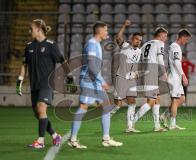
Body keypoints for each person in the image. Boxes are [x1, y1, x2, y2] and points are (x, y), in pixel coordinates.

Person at [16, 19, 74, 149]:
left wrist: (69, 76)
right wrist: (19, 81)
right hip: (34, 85)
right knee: (38, 114)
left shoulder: (51, 45)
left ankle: (40, 141)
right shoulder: (29, 46)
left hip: (47, 84)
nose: (29, 31)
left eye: (31, 29)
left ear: (38, 29)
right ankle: (55, 135)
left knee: (41, 108)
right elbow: (24, 65)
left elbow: (62, 61)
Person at [68, 21, 123, 149]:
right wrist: (102, 81)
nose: (107, 33)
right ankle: (73, 139)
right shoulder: (92, 45)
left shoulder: (96, 44)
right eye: (106, 30)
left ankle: (106, 139)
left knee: (106, 107)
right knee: (83, 107)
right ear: (100, 31)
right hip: (88, 81)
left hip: (94, 82)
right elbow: (92, 66)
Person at [132, 27, 168, 132]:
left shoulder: (145, 44)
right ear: (160, 35)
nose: (165, 38)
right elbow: (160, 59)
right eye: (165, 36)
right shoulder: (159, 43)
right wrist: (164, 73)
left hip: (147, 73)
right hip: (151, 73)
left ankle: (157, 126)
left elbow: (139, 59)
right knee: (151, 101)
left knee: (157, 100)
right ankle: (131, 123)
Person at [110, 19, 143, 133]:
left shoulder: (139, 51)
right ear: (132, 39)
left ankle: (129, 127)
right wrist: (124, 25)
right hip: (121, 78)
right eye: (137, 39)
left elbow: (135, 64)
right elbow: (118, 37)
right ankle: (107, 116)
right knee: (117, 105)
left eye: (140, 40)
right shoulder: (125, 46)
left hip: (131, 79)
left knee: (132, 102)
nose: (138, 41)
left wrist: (137, 72)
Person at [167, 29, 192, 130]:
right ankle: (172, 124)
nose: (186, 41)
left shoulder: (175, 46)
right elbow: (177, 63)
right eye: (186, 39)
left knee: (181, 99)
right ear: (182, 37)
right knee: (175, 100)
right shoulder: (176, 47)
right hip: (174, 77)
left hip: (176, 77)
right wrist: (184, 75)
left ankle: (164, 116)